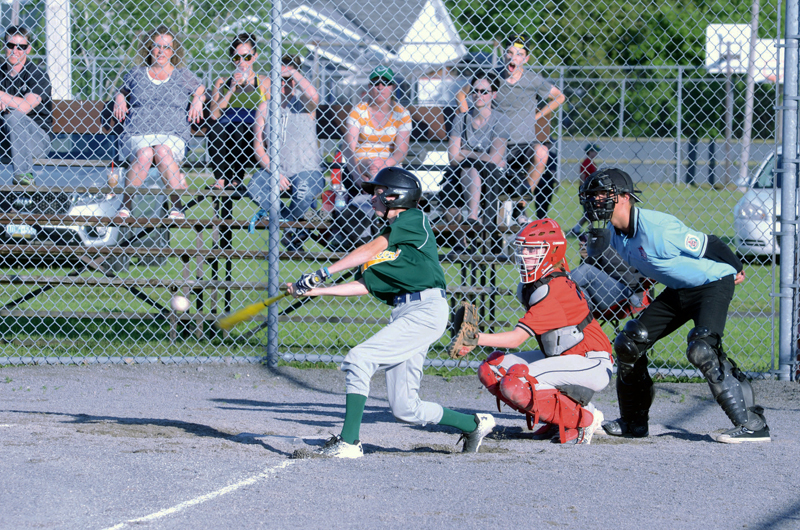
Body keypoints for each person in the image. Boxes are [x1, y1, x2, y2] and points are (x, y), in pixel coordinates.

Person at [286, 167, 495, 458]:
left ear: (397, 197)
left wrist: (324, 271)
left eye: (379, 193)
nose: (373, 198)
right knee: (406, 408)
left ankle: (348, 442)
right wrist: (314, 290)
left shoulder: (413, 219)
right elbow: (363, 285)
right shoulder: (389, 244)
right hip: (406, 313)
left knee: (360, 358)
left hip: (426, 309)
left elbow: (373, 247)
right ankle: (473, 425)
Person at [579, 168, 771, 443]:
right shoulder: (614, 235)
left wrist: (736, 268)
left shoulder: (659, 229)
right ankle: (634, 423)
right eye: (592, 196)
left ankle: (752, 424)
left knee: (702, 348)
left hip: (712, 284)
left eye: (601, 195)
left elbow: (710, 243)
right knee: (629, 344)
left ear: (623, 198)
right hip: (680, 290)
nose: (595, 201)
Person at [464, 218, 612, 445]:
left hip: (591, 360)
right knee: (491, 369)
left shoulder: (554, 290)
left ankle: (584, 419)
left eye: (533, 250)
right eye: (523, 248)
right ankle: (555, 417)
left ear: (552, 253)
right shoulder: (534, 284)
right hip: (564, 357)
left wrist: (475, 338)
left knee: (517, 382)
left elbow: (516, 339)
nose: (524, 255)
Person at [456, 34, 565, 217]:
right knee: (492, 172)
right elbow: (462, 94)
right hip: (497, 144)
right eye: (510, 52)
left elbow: (559, 97)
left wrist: (537, 115)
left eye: (519, 54)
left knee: (542, 153)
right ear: (504, 55)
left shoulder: (533, 80)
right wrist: (468, 117)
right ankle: (492, 213)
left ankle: (521, 201)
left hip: (524, 145)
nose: (513, 57)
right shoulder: (492, 76)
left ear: (526, 59)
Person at [113, 25, 205, 220]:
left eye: (167, 47)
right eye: (157, 46)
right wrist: (120, 98)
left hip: (172, 136)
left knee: (162, 150)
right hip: (138, 135)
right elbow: (122, 90)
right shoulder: (137, 73)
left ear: (174, 51)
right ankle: (125, 205)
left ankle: (177, 207)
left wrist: (198, 99)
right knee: (146, 153)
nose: (161, 51)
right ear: (149, 48)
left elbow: (200, 89)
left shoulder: (182, 75)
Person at [249, 54, 322, 250]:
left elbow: (314, 96)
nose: (283, 84)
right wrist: (275, 171)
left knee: (304, 192)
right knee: (255, 186)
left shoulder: (304, 104)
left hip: (306, 169)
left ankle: (291, 228)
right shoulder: (265, 107)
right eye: (279, 79)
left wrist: (292, 72)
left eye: (288, 80)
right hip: (275, 170)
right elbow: (258, 146)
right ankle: (296, 221)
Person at [441, 70, 510, 252]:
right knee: (451, 191)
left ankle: (473, 217)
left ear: (493, 94)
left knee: (472, 168)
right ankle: (462, 243)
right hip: (460, 172)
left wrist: (466, 151)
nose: (478, 95)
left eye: (484, 91)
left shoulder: (500, 120)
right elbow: (453, 157)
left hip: (491, 176)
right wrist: (478, 155)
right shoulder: (461, 119)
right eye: (475, 91)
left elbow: (494, 159)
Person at [206, 33, 267, 190]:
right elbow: (214, 114)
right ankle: (221, 179)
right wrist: (231, 89)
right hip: (225, 133)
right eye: (236, 58)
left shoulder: (264, 81)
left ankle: (236, 178)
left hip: (251, 134)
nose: (241, 62)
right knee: (216, 127)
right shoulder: (223, 81)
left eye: (246, 57)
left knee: (240, 128)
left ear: (255, 56)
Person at [342, 66, 411, 198]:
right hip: (360, 163)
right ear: (369, 87)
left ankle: (374, 199)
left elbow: (401, 151)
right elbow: (349, 149)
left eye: (385, 83)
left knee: (376, 166)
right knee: (372, 165)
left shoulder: (402, 113)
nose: (380, 87)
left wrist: (384, 163)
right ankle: (377, 202)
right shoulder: (358, 111)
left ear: (393, 87)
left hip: (389, 164)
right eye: (376, 83)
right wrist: (359, 178)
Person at [0, 25, 52, 186]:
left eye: (21, 47)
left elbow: (24, 107)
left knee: (14, 115)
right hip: (4, 137)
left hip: (36, 141)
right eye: (10, 45)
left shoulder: (37, 74)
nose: (15, 51)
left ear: (28, 49)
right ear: (4, 46)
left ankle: (24, 176)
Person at [572, 231, 646, 317]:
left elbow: (621, 266)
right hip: (602, 290)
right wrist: (587, 256)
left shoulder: (633, 238)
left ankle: (556, 284)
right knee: (579, 291)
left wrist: (597, 249)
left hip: (628, 291)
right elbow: (594, 269)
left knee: (587, 270)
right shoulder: (612, 236)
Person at [569, 143, 600, 236]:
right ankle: (589, 230)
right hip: (587, 190)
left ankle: (577, 229)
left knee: (590, 211)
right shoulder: (587, 162)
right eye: (594, 151)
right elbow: (582, 176)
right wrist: (583, 190)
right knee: (590, 211)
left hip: (592, 190)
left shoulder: (592, 162)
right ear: (590, 151)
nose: (596, 153)